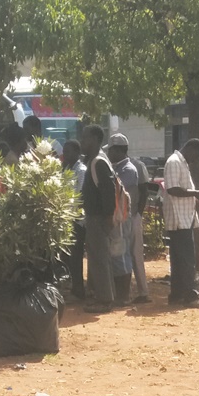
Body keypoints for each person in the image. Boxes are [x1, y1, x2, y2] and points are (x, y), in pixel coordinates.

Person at [164, 139, 199, 308]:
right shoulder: (174, 162)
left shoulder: (181, 163)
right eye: (195, 156)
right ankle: (191, 296)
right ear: (190, 148)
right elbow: (172, 189)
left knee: (178, 261)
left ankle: (176, 295)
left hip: (184, 217)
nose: (194, 160)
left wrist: (195, 197)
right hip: (179, 218)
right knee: (187, 259)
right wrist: (196, 193)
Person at [107, 134, 150, 304]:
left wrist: (137, 214)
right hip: (125, 216)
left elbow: (143, 191)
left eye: (111, 150)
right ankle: (130, 293)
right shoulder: (117, 167)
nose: (109, 154)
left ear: (118, 150)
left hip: (130, 216)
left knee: (129, 254)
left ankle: (139, 293)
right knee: (123, 253)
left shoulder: (131, 168)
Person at [80, 124, 117, 313]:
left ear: (94, 139)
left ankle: (105, 300)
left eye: (85, 138)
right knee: (98, 258)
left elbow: (108, 191)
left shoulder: (98, 162)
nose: (82, 141)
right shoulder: (96, 160)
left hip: (98, 218)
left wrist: (108, 217)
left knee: (99, 259)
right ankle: (104, 296)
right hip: (96, 217)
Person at [61, 139, 87, 300]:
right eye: (64, 151)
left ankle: (79, 291)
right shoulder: (66, 169)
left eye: (68, 151)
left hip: (77, 220)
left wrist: (73, 215)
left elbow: (80, 195)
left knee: (76, 256)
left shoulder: (81, 170)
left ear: (77, 153)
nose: (65, 154)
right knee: (68, 256)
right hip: (66, 219)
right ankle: (73, 288)